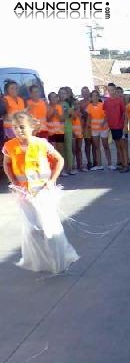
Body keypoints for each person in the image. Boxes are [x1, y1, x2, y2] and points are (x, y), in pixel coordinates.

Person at [2, 111, 78, 273]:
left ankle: (59, 262)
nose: (18, 130)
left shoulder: (41, 144)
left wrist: (51, 181)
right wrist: (15, 183)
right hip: (24, 193)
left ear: (32, 127)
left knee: (49, 229)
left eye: (22, 127)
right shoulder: (10, 146)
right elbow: (7, 165)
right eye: (15, 127)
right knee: (31, 229)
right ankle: (40, 260)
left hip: (42, 191)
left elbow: (59, 159)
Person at [104, 84, 127, 170]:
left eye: (112, 90)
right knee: (118, 147)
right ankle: (122, 164)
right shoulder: (106, 102)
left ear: (115, 90)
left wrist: (125, 126)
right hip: (112, 127)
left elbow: (125, 114)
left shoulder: (119, 101)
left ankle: (126, 165)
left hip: (120, 126)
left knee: (122, 146)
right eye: (109, 90)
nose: (111, 92)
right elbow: (106, 114)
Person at [86, 90, 111, 171]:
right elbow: (89, 117)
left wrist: (103, 123)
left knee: (105, 146)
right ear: (91, 97)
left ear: (98, 97)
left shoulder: (102, 105)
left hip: (103, 129)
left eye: (96, 95)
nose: (95, 97)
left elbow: (107, 115)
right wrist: (88, 126)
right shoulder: (89, 106)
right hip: (94, 129)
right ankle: (99, 165)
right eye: (93, 96)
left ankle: (110, 164)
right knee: (97, 147)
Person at [46, 92, 66, 174]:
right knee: (52, 152)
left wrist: (57, 113)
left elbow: (62, 119)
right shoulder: (47, 107)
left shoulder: (59, 107)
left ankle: (62, 170)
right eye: (52, 97)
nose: (54, 99)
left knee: (60, 151)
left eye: (55, 97)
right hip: (51, 133)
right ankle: (54, 170)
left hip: (60, 131)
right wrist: (52, 113)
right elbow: (47, 119)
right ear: (49, 99)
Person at [59, 87, 76, 175]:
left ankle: (70, 168)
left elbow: (74, 116)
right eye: (61, 93)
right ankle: (62, 169)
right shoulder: (56, 104)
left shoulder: (68, 104)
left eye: (64, 93)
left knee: (69, 149)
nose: (63, 95)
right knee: (61, 150)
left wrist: (71, 112)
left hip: (68, 128)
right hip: (58, 130)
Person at [78, 86, 93, 169]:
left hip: (93, 125)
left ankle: (96, 161)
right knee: (87, 144)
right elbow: (78, 113)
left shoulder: (92, 101)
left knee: (94, 144)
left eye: (86, 92)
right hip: (84, 126)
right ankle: (88, 161)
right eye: (83, 92)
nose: (85, 93)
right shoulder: (80, 103)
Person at [70, 103, 85, 171]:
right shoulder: (72, 114)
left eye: (78, 105)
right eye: (76, 105)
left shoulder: (81, 115)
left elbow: (82, 125)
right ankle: (73, 165)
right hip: (73, 134)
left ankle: (80, 165)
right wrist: (73, 133)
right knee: (73, 150)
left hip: (80, 134)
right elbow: (70, 124)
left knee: (79, 149)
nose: (77, 106)